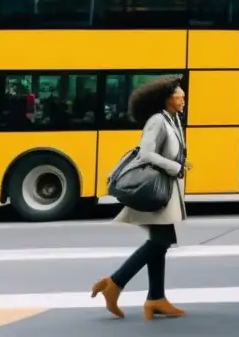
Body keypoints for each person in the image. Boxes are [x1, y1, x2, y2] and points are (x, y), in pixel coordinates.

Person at [91, 76, 189, 321]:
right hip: (155, 191)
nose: (184, 100)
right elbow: (145, 153)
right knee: (160, 242)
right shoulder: (157, 120)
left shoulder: (173, 119)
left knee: (160, 242)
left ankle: (156, 298)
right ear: (167, 99)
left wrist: (181, 164)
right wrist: (173, 167)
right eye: (180, 96)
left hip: (166, 191)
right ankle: (114, 283)